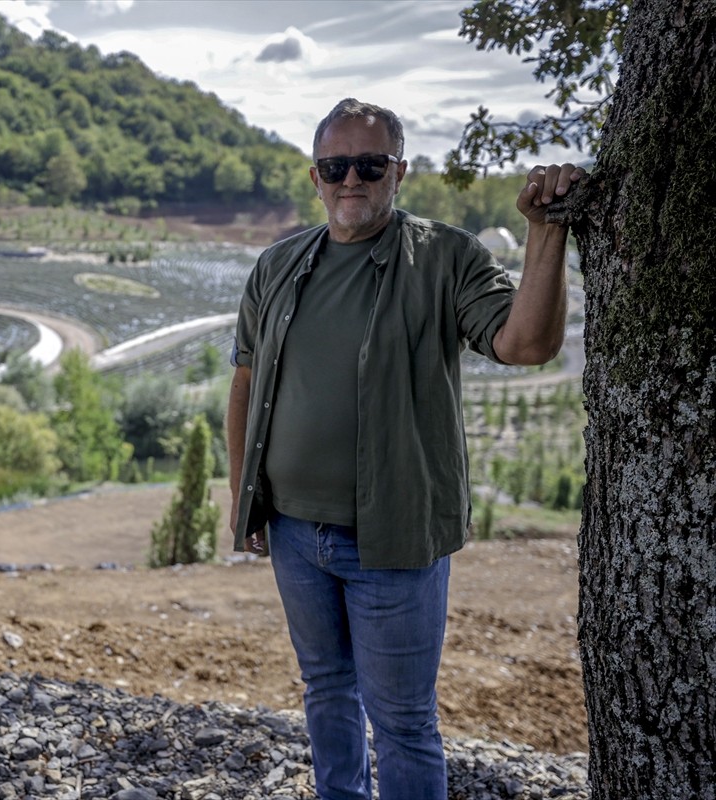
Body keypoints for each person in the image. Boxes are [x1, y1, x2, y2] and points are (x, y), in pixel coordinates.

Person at [226, 98, 584, 800]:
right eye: (336, 166)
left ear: (399, 171)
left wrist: (544, 234)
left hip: (393, 540)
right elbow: (243, 381)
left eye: (369, 164)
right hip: (296, 532)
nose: (351, 179)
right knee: (325, 690)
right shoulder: (277, 265)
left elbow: (526, 343)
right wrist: (244, 503)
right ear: (315, 176)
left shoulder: (444, 257)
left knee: (402, 722)